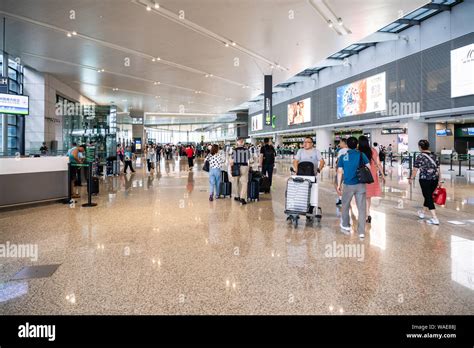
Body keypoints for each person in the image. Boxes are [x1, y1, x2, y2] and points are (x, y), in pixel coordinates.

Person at [336, 136, 371, 239]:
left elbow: (339, 171)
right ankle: (361, 232)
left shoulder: (343, 156)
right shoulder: (361, 155)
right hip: (360, 185)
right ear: (357, 145)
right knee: (361, 208)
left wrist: (338, 185)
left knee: (345, 205)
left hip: (348, 185)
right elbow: (368, 167)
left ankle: (346, 225)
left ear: (347, 145)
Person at [409, 140, 441, 225]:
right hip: (434, 179)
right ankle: (422, 212)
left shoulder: (420, 156)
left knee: (428, 197)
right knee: (428, 196)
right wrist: (439, 180)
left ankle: (435, 218)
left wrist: (411, 178)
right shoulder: (435, 155)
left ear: (420, 147)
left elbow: (415, 169)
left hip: (425, 179)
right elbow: (438, 169)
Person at [358, 136, 385, 223]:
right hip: (371, 176)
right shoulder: (373, 150)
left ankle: (363, 214)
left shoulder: (358, 152)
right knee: (368, 197)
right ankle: (367, 214)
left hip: (360, 176)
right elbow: (378, 164)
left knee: (361, 196)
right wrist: (383, 175)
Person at [230, 137, 251, 205]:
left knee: (236, 182)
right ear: (243, 142)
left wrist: (231, 169)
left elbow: (231, 161)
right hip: (244, 167)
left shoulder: (234, 150)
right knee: (244, 183)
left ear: (237, 142)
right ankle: (242, 198)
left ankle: (237, 196)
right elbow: (249, 160)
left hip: (236, 167)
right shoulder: (247, 150)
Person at [334, 138, 349, 206]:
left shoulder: (341, 151)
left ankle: (341, 199)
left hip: (341, 170)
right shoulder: (350, 150)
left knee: (336, 184)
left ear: (344, 143)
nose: (339, 144)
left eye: (340, 142)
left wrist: (336, 168)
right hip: (348, 171)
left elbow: (339, 161)